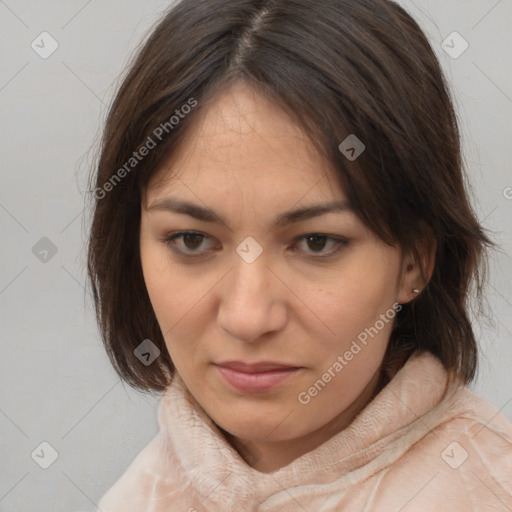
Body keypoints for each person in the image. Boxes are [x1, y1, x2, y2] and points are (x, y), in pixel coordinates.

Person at [85, 0, 512, 510]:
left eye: (316, 242)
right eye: (192, 240)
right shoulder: (139, 496)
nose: (248, 317)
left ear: (415, 259)